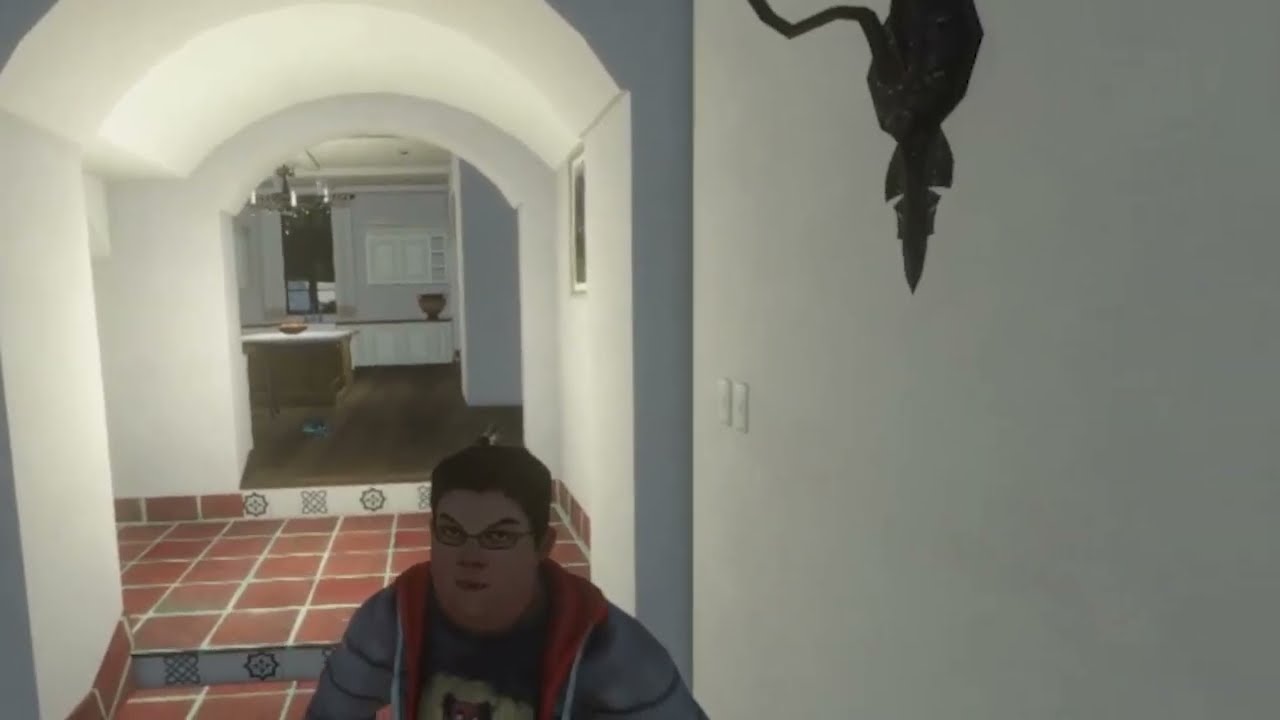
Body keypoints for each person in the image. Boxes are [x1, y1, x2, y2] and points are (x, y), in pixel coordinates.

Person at [305, 441, 707, 719]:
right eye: (451, 532)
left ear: (543, 545)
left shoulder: (603, 644)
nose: (470, 556)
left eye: (497, 537)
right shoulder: (391, 620)